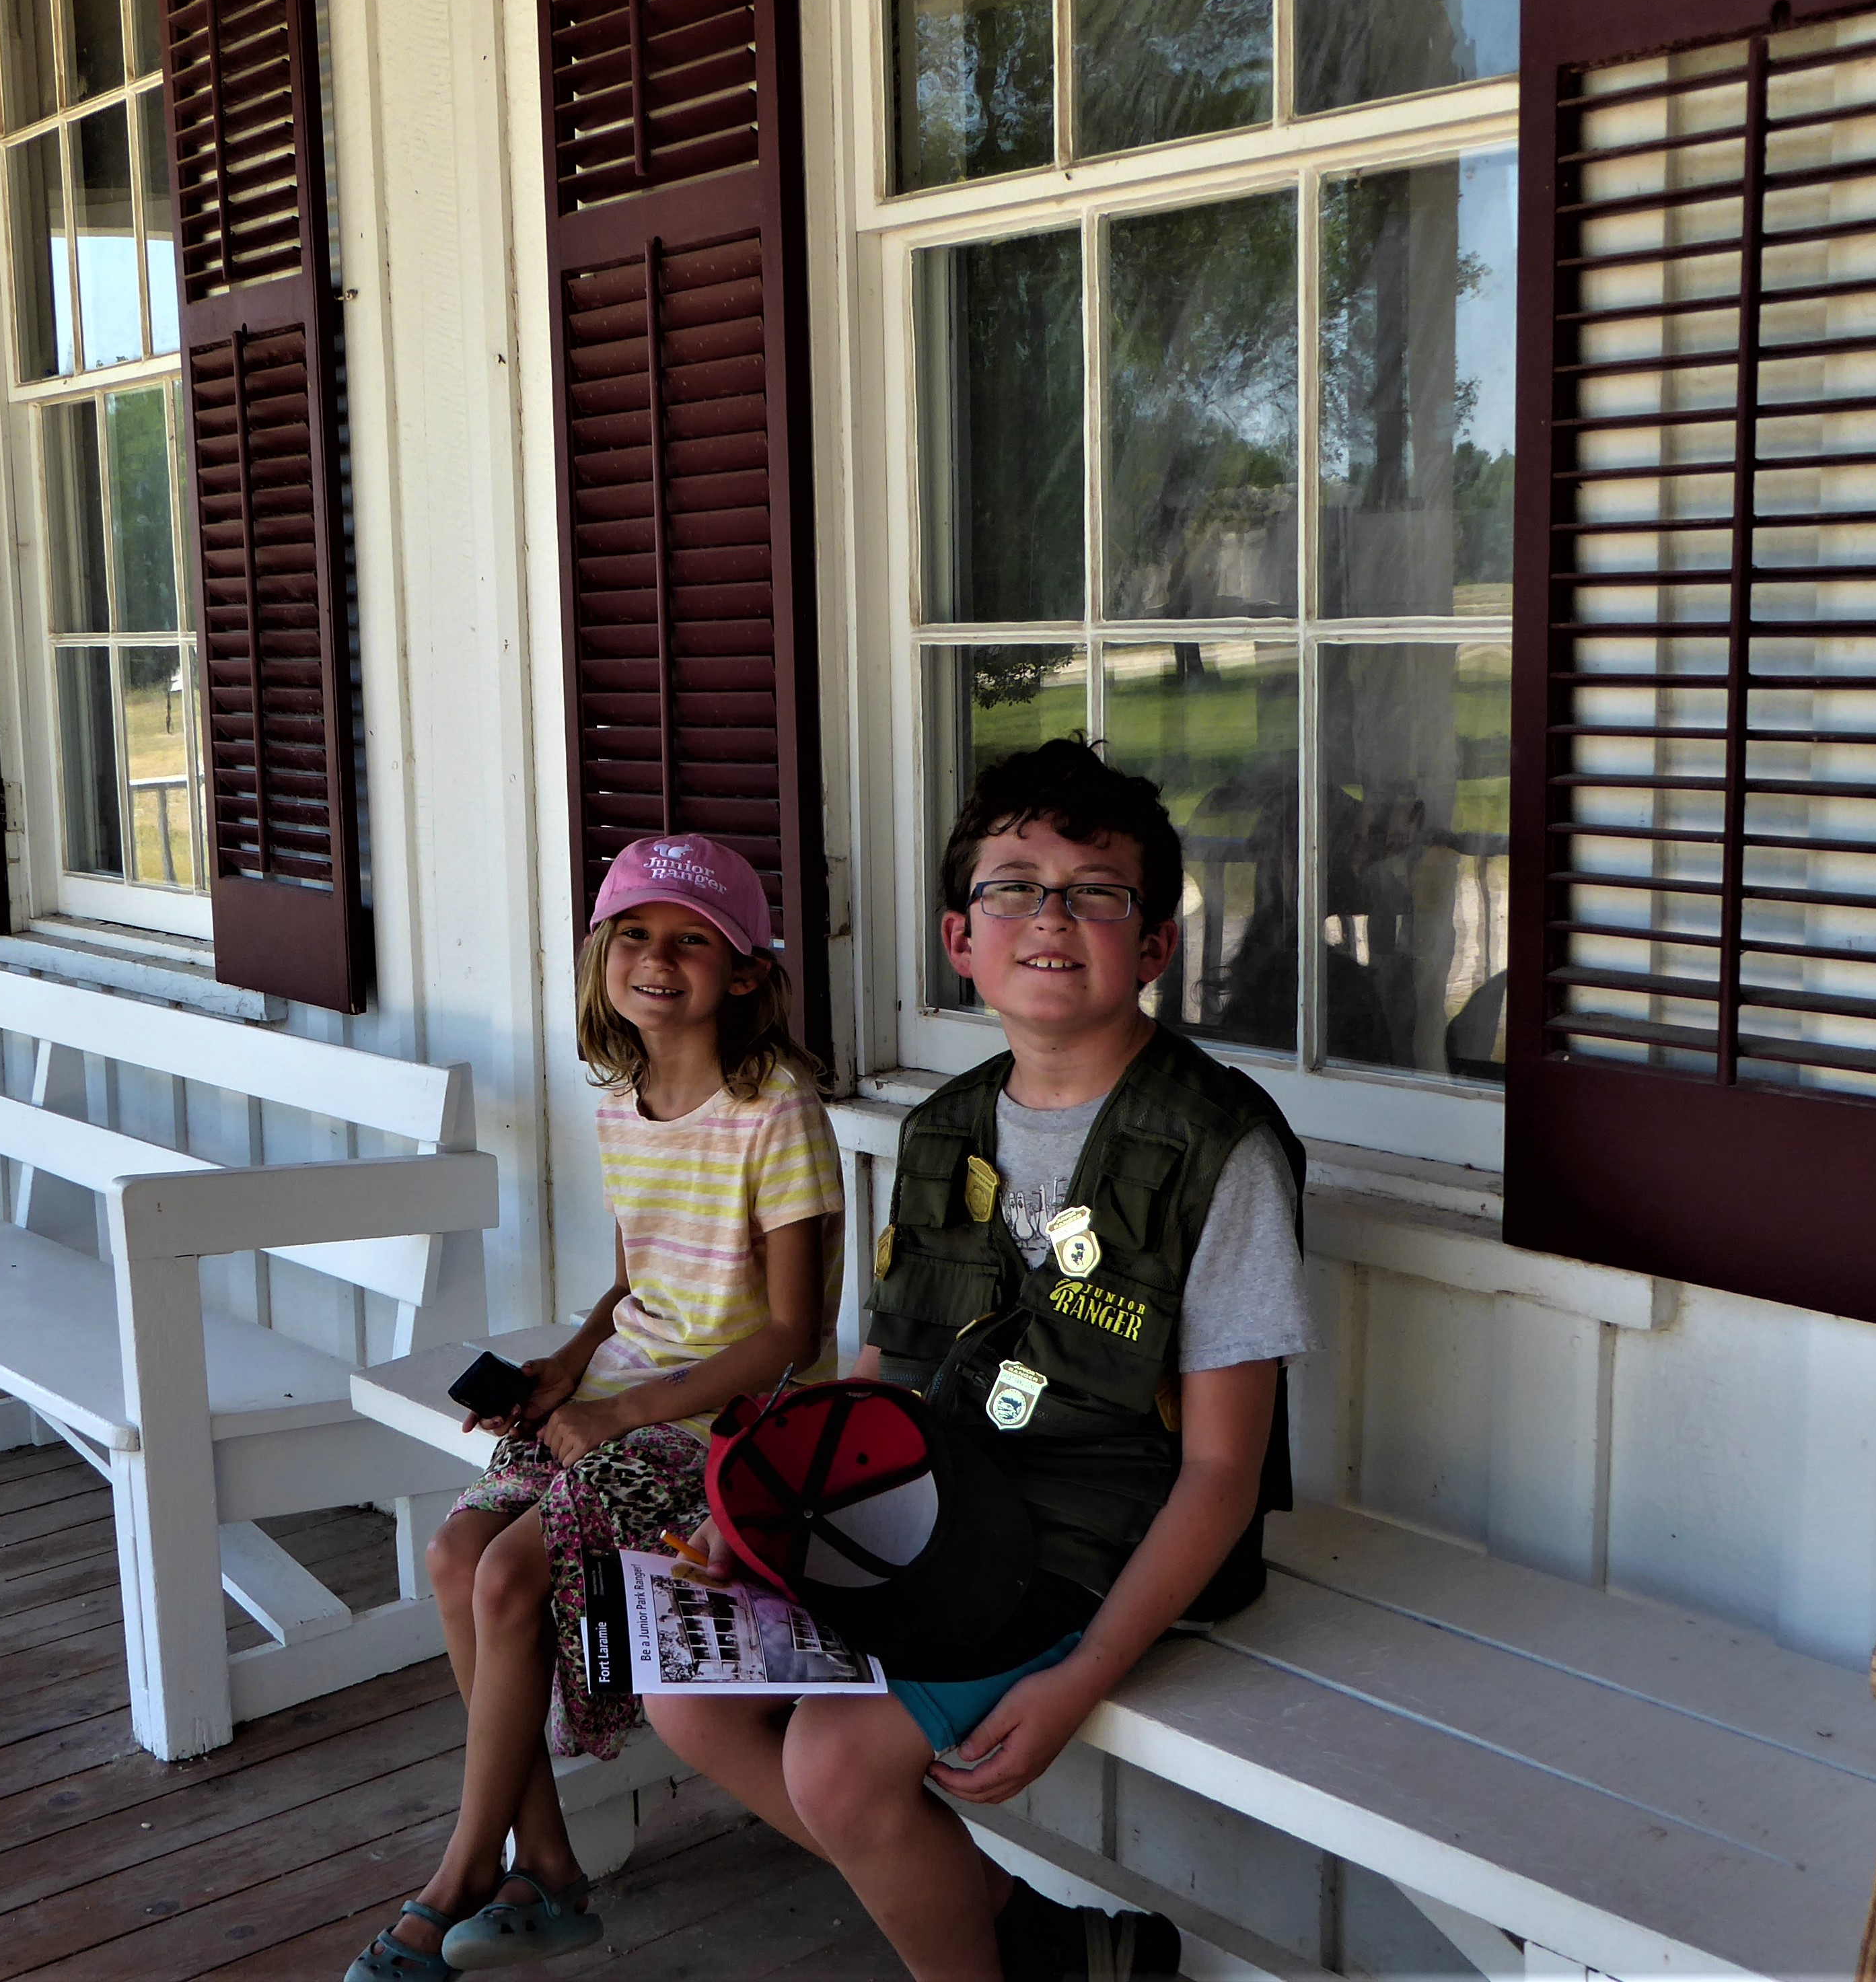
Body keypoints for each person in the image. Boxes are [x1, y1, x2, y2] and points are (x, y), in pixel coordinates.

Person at [649, 737, 1314, 1982]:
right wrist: (766, 1513)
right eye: (1013, 885)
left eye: (1097, 890)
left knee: (836, 1766)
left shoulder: (1221, 1151)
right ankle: (1040, 1943)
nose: (1051, 915)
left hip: (1102, 1540)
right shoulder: (945, 1126)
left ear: (1155, 944)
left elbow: (1222, 1471)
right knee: (689, 1697)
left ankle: (1001, 1959)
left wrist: (1086, 1679)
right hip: (931, 1506)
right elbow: (888, 1372)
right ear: (962, 939)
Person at [347, 833, 845, 1980]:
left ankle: (464, 1874)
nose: (656, 960)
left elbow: (792, 1334)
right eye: (634, 936)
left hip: (735, 1426)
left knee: (517, 1575)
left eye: (691, 942)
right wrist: (570, 1363)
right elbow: (639, 1280)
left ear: (747, 972)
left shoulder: (777, 1112)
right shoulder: (624, 1101)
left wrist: (623, 1416)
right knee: (456, 1553)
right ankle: (552, 1869)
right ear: (602, 956)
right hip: (623, 1395)